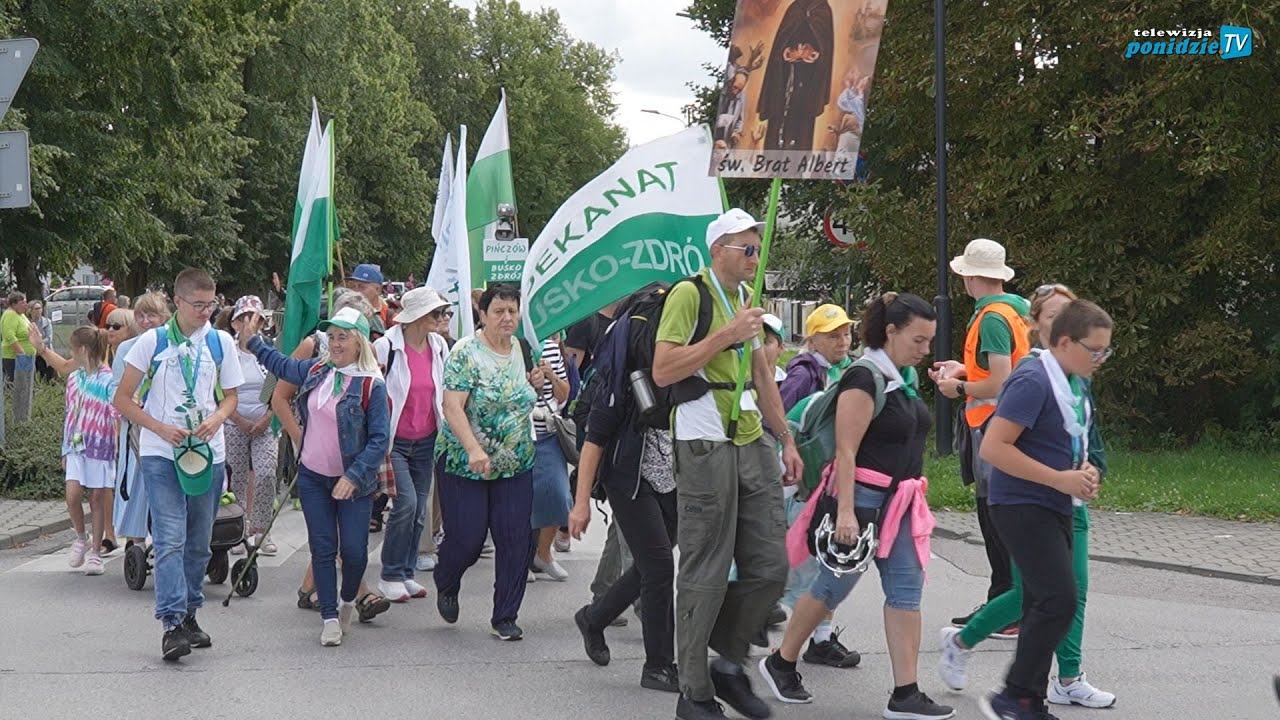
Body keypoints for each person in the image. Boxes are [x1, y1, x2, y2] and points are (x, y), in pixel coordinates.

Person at [759, 293, 953, 720]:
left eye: (929, 341)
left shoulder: (898, 376)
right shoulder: (865, 377)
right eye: (918, 340)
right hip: (862, 501)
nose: (925, 350)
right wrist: (846, 512)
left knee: (906, 590)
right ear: (891, 332)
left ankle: (906, 693)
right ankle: (781, 660)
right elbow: (846, 451)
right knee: (832, 587)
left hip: (900, 502)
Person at [651, 208, 802, 720]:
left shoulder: (745, 300)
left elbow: (762, 373)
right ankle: (693, 689)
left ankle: (729, 663)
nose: (755, 257)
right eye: (747, 249)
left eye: (757, 249)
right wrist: (725, 335)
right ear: (718, 250)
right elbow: (664, 368)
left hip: (750, 436)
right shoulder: (688, 295)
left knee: (771, 566)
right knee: (706, 568)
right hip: (703, 438)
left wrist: (786, 439)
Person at [939, 284, 1116, 710]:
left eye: (1106, 352)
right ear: (1063, 340)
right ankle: (1017, 694)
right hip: (1019, 503)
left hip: (1054, 503)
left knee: (1045, 598)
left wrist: (1087, 469)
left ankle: (1028, 700)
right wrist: (1059, 479)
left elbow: (1074, 440)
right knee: (1058, 597)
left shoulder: (1074, 381)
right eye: (1095, 350)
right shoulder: (1033, 379)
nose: (1100, 359)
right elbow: (994, 448)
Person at [113, 268, 245, 662]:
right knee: (169, 538)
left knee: (199, 542)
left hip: (208, 455)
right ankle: (171, 623)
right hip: (160, 453)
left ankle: (189, 613)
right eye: (199, 305)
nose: (206, 312)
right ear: (179, 301)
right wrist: (158, 426)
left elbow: (231, 398)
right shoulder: (151, 343)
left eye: (212, 304)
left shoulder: (221, 343)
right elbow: (122, 399)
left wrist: (218, 418)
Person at [242, 306, 390, 647]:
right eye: (332, 337)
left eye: (344, 337)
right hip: (312, 476)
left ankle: (348, 600)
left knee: (354, 552)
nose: (336, 344)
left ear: (360, 343)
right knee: (323, 549)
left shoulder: (371, 384)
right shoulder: (319, 369)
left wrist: (353, 476)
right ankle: (329, 617)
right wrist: (255, 343)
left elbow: (380, 439)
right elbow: (284, 367)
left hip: (352, 483)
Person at [568, 333, 681, 693]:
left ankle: (593, 617)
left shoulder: (686, 374)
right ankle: (659, 666)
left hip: (673, 483)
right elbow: (593, 442)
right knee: (660, 568)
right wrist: (581, 502)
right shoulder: (622, 383)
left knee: (649, 568)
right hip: (630, 483)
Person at [931, 238, 1031, 633]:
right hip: (1006, 427)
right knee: (1000, 518)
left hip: (993, 427)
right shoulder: (1013, 311)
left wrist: (959, 388)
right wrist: (963, 368)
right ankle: (1003, 603)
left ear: (972, 277)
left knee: (996, 518)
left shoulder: (991, 317)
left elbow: (1002, 382)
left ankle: (1007, 609)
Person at [274, 289, 392, 623]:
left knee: (343, 539)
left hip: (355, 456)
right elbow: (280, 396)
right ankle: (346, 596)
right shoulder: (314, 348)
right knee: (328, 538)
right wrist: (302, 439)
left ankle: (321, 590)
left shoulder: (361, 364)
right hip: (315, 457)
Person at [434, 283, 539, 641]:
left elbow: (540, 396)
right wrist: (474, 449)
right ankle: (446, 580)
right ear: (483, 314)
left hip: (515, 462)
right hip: (466, 463)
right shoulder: (465, 352)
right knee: (468, 538)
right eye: (499, 311)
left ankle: (505, 615)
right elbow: (452, 407)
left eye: (512, 311)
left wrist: (543, 381)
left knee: (515, 539)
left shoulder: (525, 348)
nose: (507, 318)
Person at [773, 303, 863, 668]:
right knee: (809, 560)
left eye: (845, 333)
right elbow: (781, 421)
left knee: (818, 559)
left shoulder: (838, 370)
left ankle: (818, 638)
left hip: (821, 480)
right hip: (802, 482)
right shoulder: (805, 374)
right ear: (812, 339)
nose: (843, 341)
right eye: (833, 336)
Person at [373, 286, 450, 602]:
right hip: (396, 441)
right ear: (417, 316)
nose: (441, 318)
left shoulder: (439, 345)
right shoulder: (385, 346)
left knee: (420, 509)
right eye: (436, 312)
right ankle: (390, 572)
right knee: (405, 504)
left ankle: (405, 573)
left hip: (428, 438)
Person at [110, 293, 172, 546]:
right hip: (136, 427)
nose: (145, 321)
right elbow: (116, 389)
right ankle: (136, 542)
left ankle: (166, 538)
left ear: (163, 317)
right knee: (136, 484)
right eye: (140, 315)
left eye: (152, 315)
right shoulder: (127, 348)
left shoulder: (172, 344)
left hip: (167, 425)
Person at [59, 326, 121, 576]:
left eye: (73, 351)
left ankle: (96, 552)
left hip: (100, 446)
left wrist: (117, 448)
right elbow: (69, 414)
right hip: (76, 446)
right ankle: (81, 537)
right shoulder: (74, 378)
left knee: (97, 499)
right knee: (72, 495)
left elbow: (116, 415)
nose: (71, 356)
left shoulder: (108, 379)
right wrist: (64, 449)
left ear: (82, 350)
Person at [223, 296, 279, 557]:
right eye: (244, 318)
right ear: (235, 322)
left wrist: (267, 417)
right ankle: (237, 529)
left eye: (254, 319)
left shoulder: (268, 351)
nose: (249, 324)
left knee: (266, 472)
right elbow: (219, 392)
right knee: (236, 477)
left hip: (264, 422)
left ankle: (261, 529)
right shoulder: (227, 351)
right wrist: (239, 420)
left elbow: (279, 388)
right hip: (234, 422)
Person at [757, 0, 834, 151]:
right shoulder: (794, 8)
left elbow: (825, 47)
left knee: (802, 121)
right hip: (785, 75)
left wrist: (813, 53)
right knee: (779, 115)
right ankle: (772, 158)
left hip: (809, 79)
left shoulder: (823, 9)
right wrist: (787, 52)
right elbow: (781, 42)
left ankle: (798, 158)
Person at [530, 334, 572, 581]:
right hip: (515, 434)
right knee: (518, 502)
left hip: (547, 432)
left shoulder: (550, 348)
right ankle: (518, 558)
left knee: (558, 495)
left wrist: (550, 374)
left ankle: (543, 553)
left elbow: (564, 392)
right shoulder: (504, 346)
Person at [347, 263, 395, 334]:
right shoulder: (346, 313)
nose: (356, 291)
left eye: (361, 287)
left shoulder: (390, 317)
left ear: (378, 289)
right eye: (353, 286)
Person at [2, 292, 34, 384]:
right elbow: (9, 336)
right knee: (17, 385)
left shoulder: (20, 314)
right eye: (23, 303)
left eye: (26, 302)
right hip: (14, 358)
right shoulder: (10, 315)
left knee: (26, 385)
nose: (26, 305)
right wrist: (21, 353)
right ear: (14, 304)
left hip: (27, 357)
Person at [28, 302, 56, 382]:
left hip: (45, 350)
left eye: (40, 308)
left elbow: (49, 338)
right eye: (36, 308)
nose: (39, 310)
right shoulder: (27, 322)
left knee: (46, 375)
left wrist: (38, 343)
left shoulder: (47, 322)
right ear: (30, 310)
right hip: (32, 351)